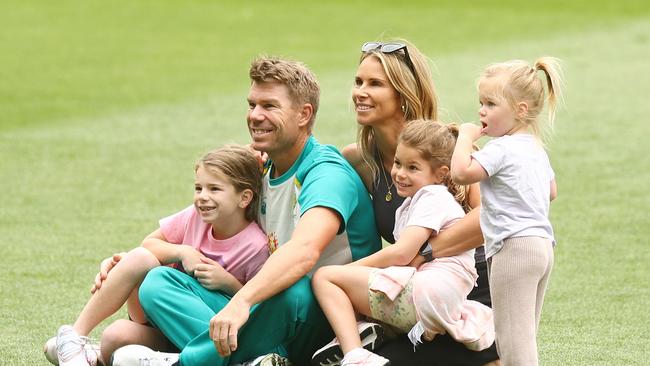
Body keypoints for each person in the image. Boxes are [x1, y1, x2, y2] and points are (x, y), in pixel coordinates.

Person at [110, 57, 381, 366]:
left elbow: (304, 252)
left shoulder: (325, 173)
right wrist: (125, 262)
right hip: (265, 309)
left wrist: (243, 300)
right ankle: (255, 360)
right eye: (252, 104)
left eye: (269, 106)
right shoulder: (260, 167)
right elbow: (167, 235)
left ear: (304, 114)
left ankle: (186, 362)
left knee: (295, 290)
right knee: (158, 282)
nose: (255, 116)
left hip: (323, 319)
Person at [339, 40, 500, 365]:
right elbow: (313, 166)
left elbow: (490, 216)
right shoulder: (359, 161)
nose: (360, 92)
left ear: (403, 95)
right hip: (414, 291)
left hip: (473, 287)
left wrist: (422, 253)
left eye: (375, 84)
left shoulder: (449, 148)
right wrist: (262, 159)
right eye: (358, 82)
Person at [43, 144, 270, 366]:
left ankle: (202, 359)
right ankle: (74, 338)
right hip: (163, 319)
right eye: (198, 188)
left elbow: (263, 309)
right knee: (115, 332)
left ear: (245, 198)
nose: (202, 196)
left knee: (123, 332)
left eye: (215, 189)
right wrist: (182, 251)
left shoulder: (255, 246)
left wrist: (228, 282)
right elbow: (149, 243)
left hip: (214, 333)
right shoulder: (194, 217)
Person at [312, 120, 495, 366]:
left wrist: (352, 270)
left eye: (413, 167)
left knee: (325, 278)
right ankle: (368, 331)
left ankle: (355, 354)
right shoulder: (418, 200)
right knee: (370, 286)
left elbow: (403, 253)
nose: (400, 173)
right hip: (441, 299)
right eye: (398, 163)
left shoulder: (433, 196)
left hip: (431, 293)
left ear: (441, 173)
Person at [451, 58, 562, 366]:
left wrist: (465, 138)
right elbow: (551, 191)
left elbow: (461, 173)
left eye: (490, 104)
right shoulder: (534, 147)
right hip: (541, 246)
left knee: (513, 348)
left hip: (512, 249)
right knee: (525, 337)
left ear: (521, 110)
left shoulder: (500, 148)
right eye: (481, 103)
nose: (481, 111)